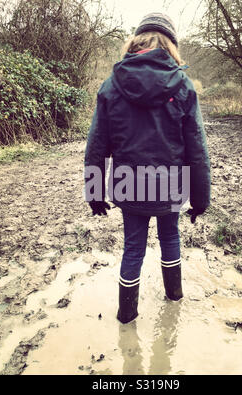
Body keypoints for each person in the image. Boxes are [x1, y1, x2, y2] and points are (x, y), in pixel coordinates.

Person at [84, 13, 210, 324]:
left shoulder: (111, 85)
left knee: (133, 248)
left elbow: (97, 145)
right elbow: (197, 149)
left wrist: (95, 193)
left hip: (130, 182)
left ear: (136, 41)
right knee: (170, 238)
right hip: (170, 182)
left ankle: (126, 316)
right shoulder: (183, 86)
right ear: (171, 44)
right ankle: (174, 299)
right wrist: (200, 199)